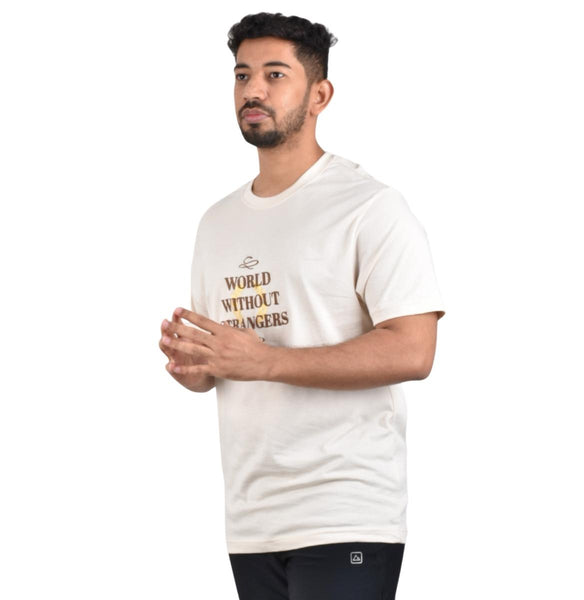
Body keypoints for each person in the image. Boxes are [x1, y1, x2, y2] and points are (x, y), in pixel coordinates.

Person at [158, 12, 446, 600]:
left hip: (345, 509)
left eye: (274, 74)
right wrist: (199, 368)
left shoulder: (370, 207)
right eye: (242, 76)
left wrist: (263, 361)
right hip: (252, 519)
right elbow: (229, 362)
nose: (253, 90)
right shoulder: (217, 222)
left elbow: (415, 350)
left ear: (320, 95)